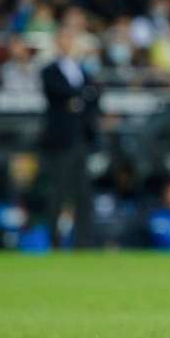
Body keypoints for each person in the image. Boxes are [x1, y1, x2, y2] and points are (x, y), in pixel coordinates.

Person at [39, 27, 100, 248]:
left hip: (81, 139)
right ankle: (54, 241)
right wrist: (80, 97)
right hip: (60, 140)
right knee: (58, 191)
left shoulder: (83, 70)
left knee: (84, 192)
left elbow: (94, 95)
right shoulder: (49, 70)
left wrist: (77, 100)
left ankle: (83, 242)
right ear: (57, 42)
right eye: (64, 38)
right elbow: (59, 94)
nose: (68, 42)